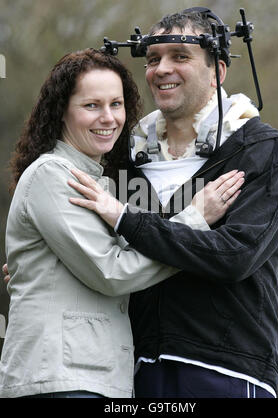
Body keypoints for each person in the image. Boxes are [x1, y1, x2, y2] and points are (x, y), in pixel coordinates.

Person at [67, 9, 278, 398]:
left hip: (226, 369)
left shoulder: (260, 149)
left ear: (218, 72)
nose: (161, 69)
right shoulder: (124, 157)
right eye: (153, 59)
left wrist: (129, 221)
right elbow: (105, 259)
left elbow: (235, 256)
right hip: (128, 369)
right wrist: (48, 268)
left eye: (180, 56)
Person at [0, 48, 242, 398]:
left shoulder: (102, 184)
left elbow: (128, 250)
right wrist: (194, 220)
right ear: (61, 112)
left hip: (96, 379)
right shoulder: (52, 175)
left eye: (116, 104)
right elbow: (113, 272)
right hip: (60, 380)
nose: (108, 118)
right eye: (91, 105)